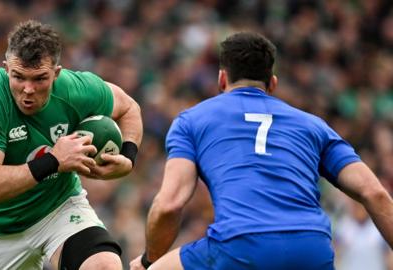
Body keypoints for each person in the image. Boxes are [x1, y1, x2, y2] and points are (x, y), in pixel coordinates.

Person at [130, 32, 393, 270]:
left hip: (240, 245)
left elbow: (170, 204)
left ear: (222, 79)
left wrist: (149, 260)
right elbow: (374, 193)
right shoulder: (314, 126)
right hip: (311, 248)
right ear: (273, 84)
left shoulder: (192, 121)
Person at [0, 20, 142, 270]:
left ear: (56, 73)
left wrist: (128, 157)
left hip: (59, 209)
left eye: (39, 79)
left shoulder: (75, 89)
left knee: (104, 266)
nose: (28, 90)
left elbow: (129, 107)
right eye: (18, 77)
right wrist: (54, 161)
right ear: (5, 69)